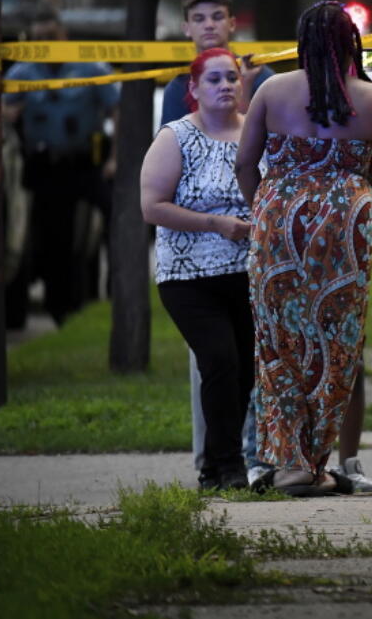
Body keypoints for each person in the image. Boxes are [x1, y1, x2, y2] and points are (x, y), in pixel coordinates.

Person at [236, 0, 372, 496]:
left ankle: (289, 463)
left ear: (301, 43)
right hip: (344, 229)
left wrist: (266, 207)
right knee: (336, 344)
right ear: (353, 44)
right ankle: (319, 462)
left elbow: (245, 162)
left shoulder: (271, 90)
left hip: (277, 222)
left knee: (277, 344)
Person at [139, 48, 254, 491]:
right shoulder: (175, 137)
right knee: (219, 361)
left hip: (247, 274)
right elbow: (151, 207)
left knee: (245, 370)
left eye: (232, 78)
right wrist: (215, 224)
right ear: (194, 89)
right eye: (214, 79)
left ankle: (222, 462)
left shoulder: (256, 135)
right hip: (188, 278)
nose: (225, 85)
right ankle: (224, 468)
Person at [4, 4, 117, 327]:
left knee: (118, 215)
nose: (46, 44)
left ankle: (114, 295)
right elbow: (0, 109)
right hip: (43, 166)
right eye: (39, 39)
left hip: (85, 161)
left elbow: (118, 110)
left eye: (51, 37)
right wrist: (8, 114)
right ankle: (59, 311)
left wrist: (115, 159)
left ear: (63, 36)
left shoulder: (89, 66)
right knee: (53, 240)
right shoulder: (23, 73)